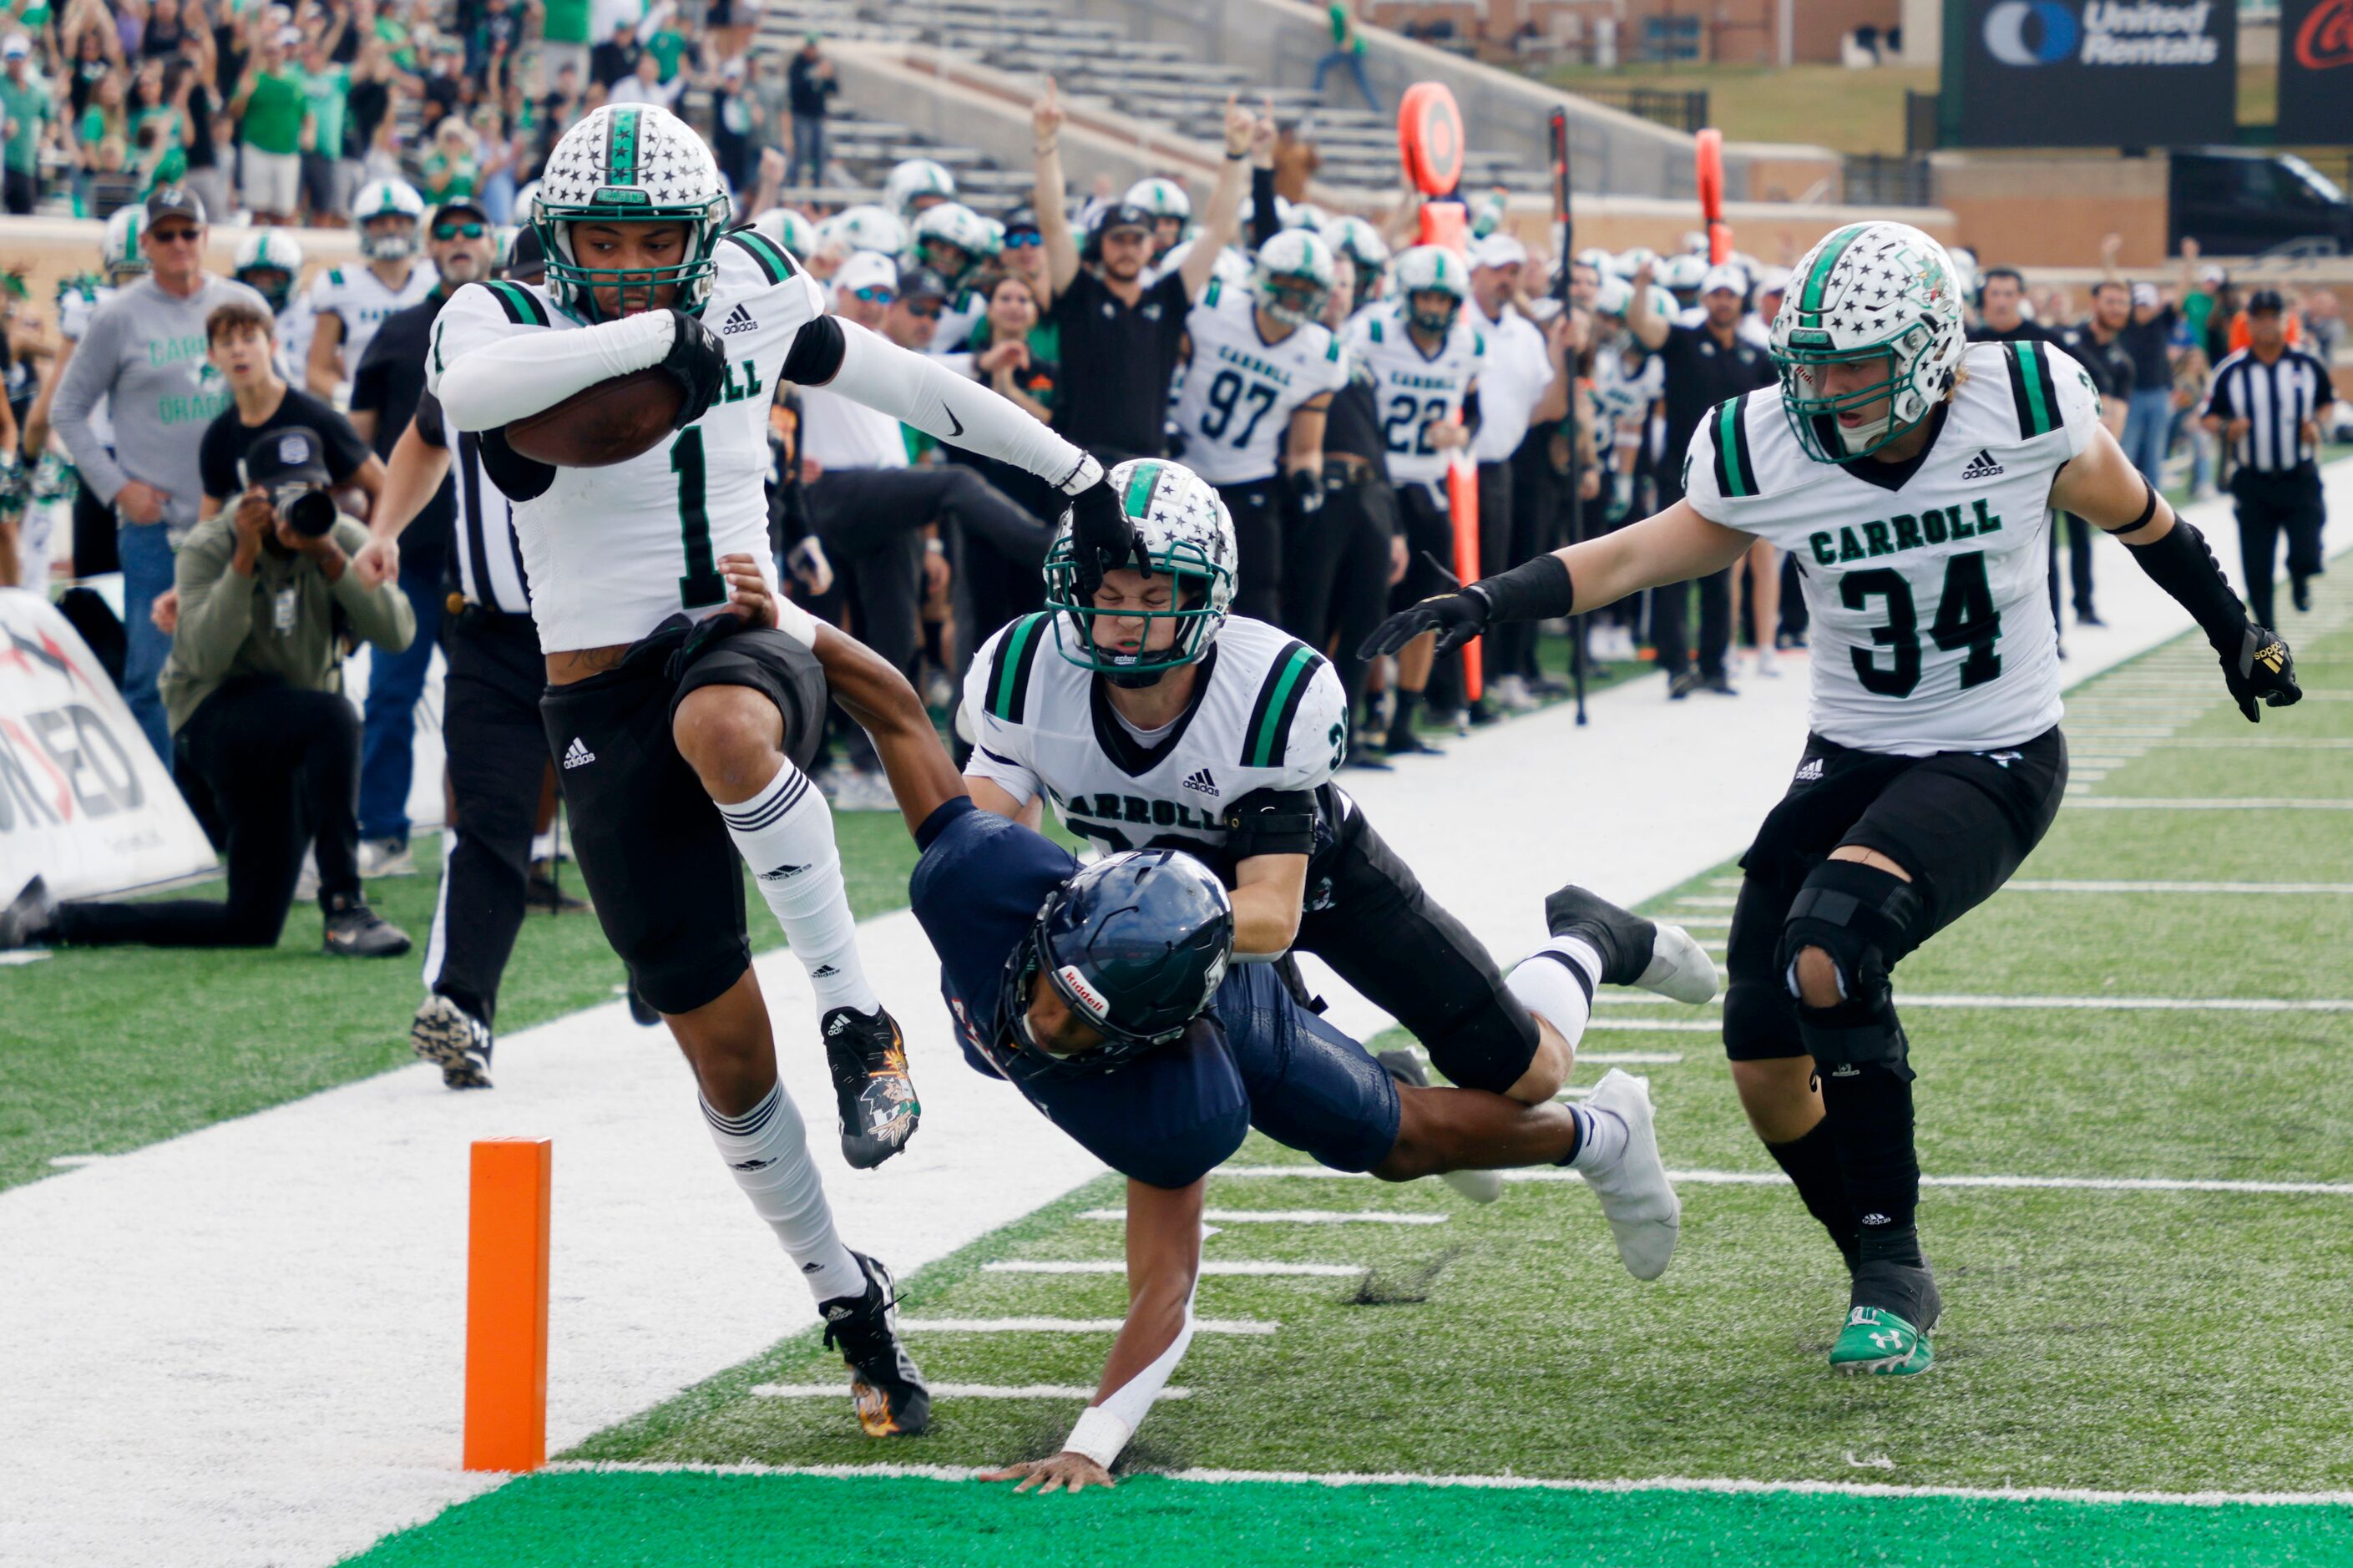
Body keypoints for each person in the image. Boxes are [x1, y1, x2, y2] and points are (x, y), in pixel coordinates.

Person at [1363, 220, 2304, 1378]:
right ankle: (1873, 1258)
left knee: (1830, 947)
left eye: (1849, 363)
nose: (1818, 386)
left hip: (1994, 749)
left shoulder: (2019, 397)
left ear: (1927, 347)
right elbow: (1641, 553)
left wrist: (2234, 629)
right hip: (1852, 749)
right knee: (1760, 1050)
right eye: (1804, 361)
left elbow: (2142, 518)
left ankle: (1895, 1269)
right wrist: (1490, 600)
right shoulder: (1769, 442)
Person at [424, 104, 1146, 1432]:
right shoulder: (502, 311)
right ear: (560, 236)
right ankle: (845, 1295)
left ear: (706, 236)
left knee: (726, 732)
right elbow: (466, 400)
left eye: (658, 242)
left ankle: (857, 1014)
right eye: (609, 238)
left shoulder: (758, 281)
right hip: (590, 690)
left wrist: (1076, 473)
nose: (634, 259)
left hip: (743, 626)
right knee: (721, 1053)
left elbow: (907, 382)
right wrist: (659, 337)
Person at [805, 589, 1680, 1492]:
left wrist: (1091, 1444)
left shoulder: (1168, 1072)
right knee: (1410, 1129)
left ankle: (1598, 1101)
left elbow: (1164, 1287)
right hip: (1163, 909)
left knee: (1421, 1129)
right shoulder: (984, 893)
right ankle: (1486, 1095)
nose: (1045, 1027)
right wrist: (784, 619)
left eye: (1082, 1023)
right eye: (1050, 992)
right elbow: (899, 716)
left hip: (1268, 915)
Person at [965, 453, 1717, 1161]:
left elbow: (1273, 911)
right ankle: (1400, 1081)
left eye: (1154, 597)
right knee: (1332, 1120)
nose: (1125, 620)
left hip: (1319, 883)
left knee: (1528, 1075)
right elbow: (989, 855)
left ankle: (1590, 938)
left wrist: (1124, 938)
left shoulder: (1267, 691)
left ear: (1204, 598)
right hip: (1174, 915)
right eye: (1107, 596)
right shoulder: (1025, 672)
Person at [0, 419, 414, 956]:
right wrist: (243, 560)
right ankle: (344, 907)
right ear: (253, 494)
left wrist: (330, 559)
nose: (298, 504)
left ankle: (54, 918)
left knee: (250, 924)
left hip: (293, 729)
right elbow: (202, 657)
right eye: (283, 492)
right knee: (334, 715)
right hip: (215, 716)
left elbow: (398, 633)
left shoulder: (336, 536)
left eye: (310, 489)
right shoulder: (211, 544)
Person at [357, 225, 588, 1085]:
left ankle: (676, 970)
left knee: (624, 818)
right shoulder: (469, 342)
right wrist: (385, 528)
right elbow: (422, 432)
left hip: (601, 633)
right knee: (487, 819)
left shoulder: (604, 349)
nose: (528, 305)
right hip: (490, 628)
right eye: (517, 287)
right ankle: (462, 1006)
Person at [50, 185, 270, 762]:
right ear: (145, 242)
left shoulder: (242, 306)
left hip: (238, 526)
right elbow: (66, 410)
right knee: (151, 678)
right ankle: (173, 821)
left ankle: (239, 816)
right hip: (157, 532)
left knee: (251, 667)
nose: (178, 244)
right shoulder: (116, 317)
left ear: (206, 238)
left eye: (188, 233)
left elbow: (280, 401)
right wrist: (117, 488)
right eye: (165, 234)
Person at [345, 198, 496, 878]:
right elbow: (355, 432)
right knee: (389, 696)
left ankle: (490, 832)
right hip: (411, 550)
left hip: (490, 556)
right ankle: (383, 833)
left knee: (489, 699)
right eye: (449, 232)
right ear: (429, 246)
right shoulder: (400, 330)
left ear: (493, 241)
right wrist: (373, 523)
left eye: (473, 230)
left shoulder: (521, 321)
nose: (461, 241)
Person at [1031, 80, 1254, 468]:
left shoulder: (1167, 300)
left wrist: (1235, 154)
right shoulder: (1081, 294)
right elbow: (1052, 223)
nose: (1128, 249)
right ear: (1101, 244)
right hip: (1078, 461)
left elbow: (1218, 229)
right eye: (1118, 240)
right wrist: (1046, 144)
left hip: (1146, 466)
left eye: (1138, 240)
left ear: (1152, 246)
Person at [1342, 242, 1480, 756]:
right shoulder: (1373, 331)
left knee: (1433, 608)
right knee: (1366, 605)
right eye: (1426, 297)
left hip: (1427, 486)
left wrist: (1461, 435)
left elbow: (1475, 408)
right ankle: (1364, 713)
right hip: (1377, 486)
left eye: (1444, 300)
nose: (1434, 308)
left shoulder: (1466, 344)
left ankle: (1405, 721)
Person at [1166, 230, 1347, 624]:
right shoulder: (1214, 307)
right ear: (1263, 277)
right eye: (1286, 282)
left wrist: (1307, 479)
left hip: (1250, 481)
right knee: (1169, 586)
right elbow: (1167, 372)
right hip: (1182, 471)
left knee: (1257, 597)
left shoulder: (1323, 354)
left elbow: (1304, 448)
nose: (1295, 294)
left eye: (1306, 286)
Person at [1628, 259, 1774, 698]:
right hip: (1680, 470)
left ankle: (1714, 664)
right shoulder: (1683, 341)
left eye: (1730, 295)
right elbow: (1643, 326)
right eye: (1716, 294)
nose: (1723, 302)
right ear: (1706, 299)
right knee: (1672, 567)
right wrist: (1640, 288)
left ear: (1740, 300)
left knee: (1719, 569)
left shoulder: (1754, 355)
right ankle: (1674, 663)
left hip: (1729, 475)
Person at [1463, 232, 1571, 712]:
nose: (1505, 280)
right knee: (1457, 576)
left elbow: (1547, 407)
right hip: (1455, 469)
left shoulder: (1524, 335)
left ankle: (1494, 676)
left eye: (1513, 272)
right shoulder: (1459, 322)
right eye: (1497, 270)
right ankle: (1456, 685)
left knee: (1498, 576)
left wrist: (1562, 353)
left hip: (1500, 467)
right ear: (1475, 273)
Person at [2201, 289, 2335, 625]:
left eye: (2272, 317)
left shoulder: (2306, 363)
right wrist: (2227, 428)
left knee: (2308, 553)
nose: (2265, 325)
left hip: (2298, 475)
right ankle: (2270, 636)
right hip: (2253, 480)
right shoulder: (2232, 370)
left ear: (2284, 320)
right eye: (2258, 318)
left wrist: (2317, 424)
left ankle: (2300, 575)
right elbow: (2208, 415)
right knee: (2257, 565)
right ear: (2249, 323)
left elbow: (2327, 401)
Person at [305, 176, 436, 399]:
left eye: (400, 221)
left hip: (428, 403)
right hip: (367, 407)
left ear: (415, 226)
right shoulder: (339, 284)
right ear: (364, 227)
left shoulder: (433, 278)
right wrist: (350, 397)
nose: (391, 229)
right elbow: (317, 371)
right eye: (380, 222)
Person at [2053, 277, 2133, 631]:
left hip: (2084, 454)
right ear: (2096, 302)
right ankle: (2049, 618)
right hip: (2050, 449)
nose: (2116, 308)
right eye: (2111, 301)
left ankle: (2084, 605)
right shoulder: (2067, 341)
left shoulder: (2121, 363)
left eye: (2122, 302)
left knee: (2082, 533)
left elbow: (2116, 422)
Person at [230, 26, 309, 226]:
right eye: (268, 51)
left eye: (276, 51)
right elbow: (235, 113)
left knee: (284, 212)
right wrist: (245, 95)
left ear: (283, 53)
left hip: (287, 151)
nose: (272, 56)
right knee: (258, 210)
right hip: (258, 149)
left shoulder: (295, 81)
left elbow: (306, 113)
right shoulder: (253, 79)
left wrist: (308, 132)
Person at [3, 33, 52, 216]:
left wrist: (47, 139)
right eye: (11, 58)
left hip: (24, 164)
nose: (16, 62)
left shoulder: (36, 92)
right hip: (2, 163)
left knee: (24, 217)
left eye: (19, 57)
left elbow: (49, 120)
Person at [784, 33, 833, 187]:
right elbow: (794, 90)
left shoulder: (822, 63)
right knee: (801, 153)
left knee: (820, 154)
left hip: (818, 116)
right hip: (802, 116)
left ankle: (817, 188)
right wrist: (811, 76)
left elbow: (833, 90)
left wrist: (828, 78)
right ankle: (793, 184)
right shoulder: (798, 65)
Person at [1313, 0, 1379, 115]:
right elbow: (1337, 26)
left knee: (1322, 64)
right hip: (1355, 48)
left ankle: (1316, 97)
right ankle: (1377, 109)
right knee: (1361, 81)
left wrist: (1348, 41)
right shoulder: (1334, 9)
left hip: (1351, 48)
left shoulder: (1336, 8)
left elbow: (1349, 21)